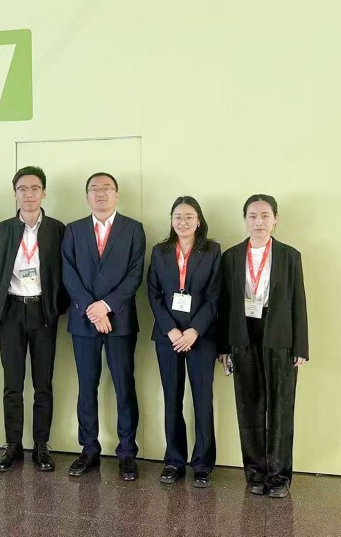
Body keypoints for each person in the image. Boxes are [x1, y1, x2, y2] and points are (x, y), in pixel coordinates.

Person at [219, 194, 308, 498]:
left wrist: (300, 346)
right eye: (253, 216)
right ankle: (255, 473)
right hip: (242, 332)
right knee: (249, 406)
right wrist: (224, 346)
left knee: (281, 407)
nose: (259, 222)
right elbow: (225, 304)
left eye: (265, 216)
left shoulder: (289, 255)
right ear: (245, 219)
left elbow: (298, 301)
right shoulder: (231, 256)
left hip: (280, 334)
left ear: (275, 219)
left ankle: (279, 476)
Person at [61, 172, 146, 481]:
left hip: (120, 321)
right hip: (84, 321)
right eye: (94, 189)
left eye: (106, 188)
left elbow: (135, 274)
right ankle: (89, 449)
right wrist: (92, 309)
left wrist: (107, 306)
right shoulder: (73, 230)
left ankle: (127, 452)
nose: (100, 193)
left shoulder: (133, 229)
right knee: (87, 386)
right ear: (87, 197)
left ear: (116, 194)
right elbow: (69, 274)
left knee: (124, 385)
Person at [0, 166, 69, 473]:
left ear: (44, 193)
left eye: (35, 188)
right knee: (12, 384)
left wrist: (56, 308)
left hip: (43, 312)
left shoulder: (57, 229)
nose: (29, 194)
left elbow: (65, 271)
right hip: (11, 311)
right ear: (15, 194)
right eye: (22, 189)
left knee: (43, 383)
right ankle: (12, 445)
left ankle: (42, 445)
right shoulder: (3, 229)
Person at [147, 196, 221, 488]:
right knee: (172, 398)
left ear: (199, 221)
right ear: (171, 220)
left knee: (202, 400)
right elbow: (153, 293)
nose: (183, 222)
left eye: (189, 217)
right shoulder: (160, 251)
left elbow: (215, 295)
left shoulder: (212, 251)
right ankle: (173, 460)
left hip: (201, 338)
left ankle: (202, 464)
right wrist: (171, 330)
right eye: (177, 216)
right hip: (168, 337)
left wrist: (194, 331)